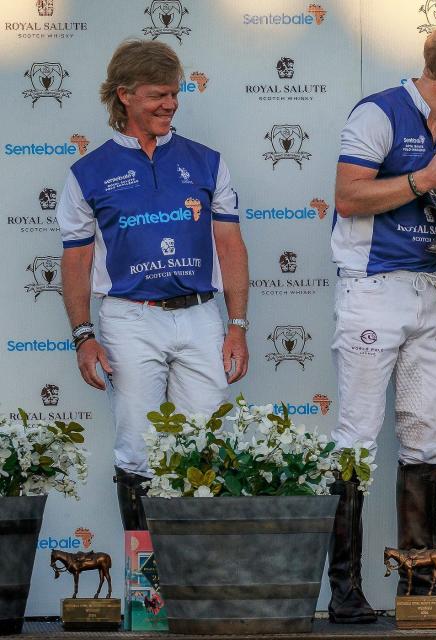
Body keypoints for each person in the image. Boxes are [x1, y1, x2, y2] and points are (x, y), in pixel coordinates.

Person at [328, 17, 436, 623]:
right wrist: (423, 180)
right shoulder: (377, 112)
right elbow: (348, 197)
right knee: (357, 435)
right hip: (372, 290)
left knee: (427, 435)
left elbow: (423, 199)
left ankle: (420, 585)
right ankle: (344, 589)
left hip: (428, 288)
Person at [56, 40, 250, 531]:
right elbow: (76, 261)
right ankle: (147, 587)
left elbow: (229, 246)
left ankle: (194, 574)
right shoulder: (88, 172)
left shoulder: (207, 161)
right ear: (124, 95)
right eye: (158, 95)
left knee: (202, 445)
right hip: (129, 318)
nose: (171, 104)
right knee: (138, 448)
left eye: (175, 94)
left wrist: (238, 325)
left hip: (202, 314)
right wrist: (83, 335)